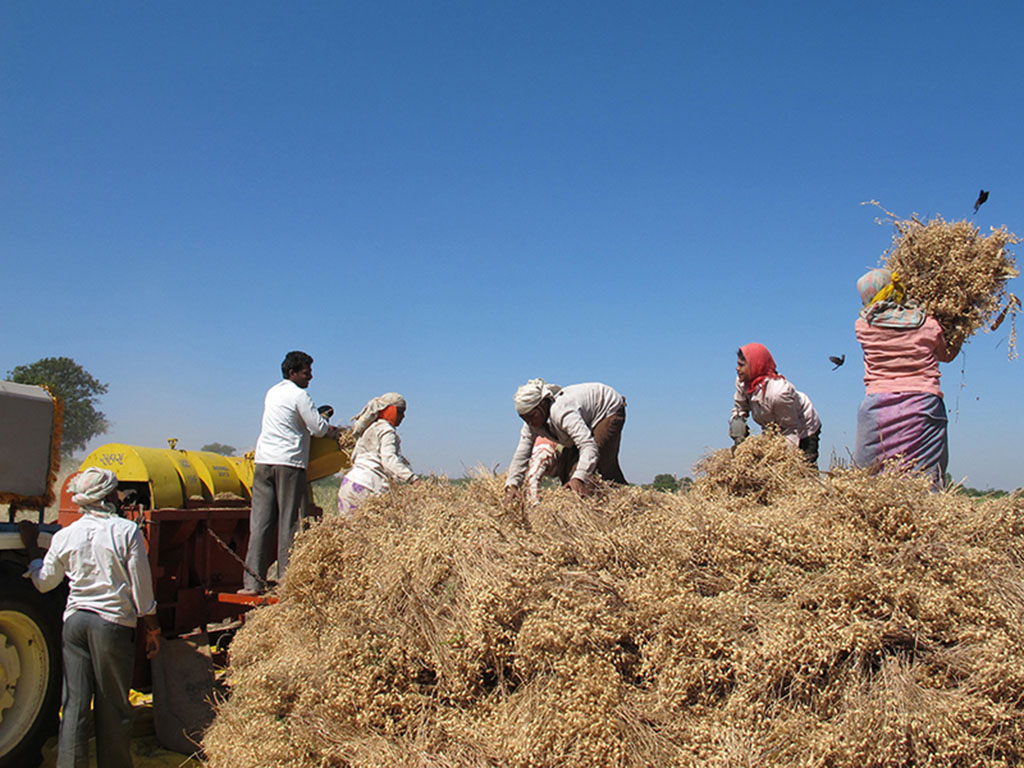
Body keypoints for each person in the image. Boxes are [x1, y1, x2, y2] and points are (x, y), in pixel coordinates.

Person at [19, 466, 160, 768]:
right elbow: (141, 590)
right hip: (110, 626)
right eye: (115, 491)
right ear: (108, 495)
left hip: (75, 624)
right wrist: (152, 628)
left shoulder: (66, 535)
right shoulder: (126, 531)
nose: (120, 496)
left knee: (74, 707)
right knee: (113, 708)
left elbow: (45, 582)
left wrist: (32, 547)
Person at [242, 351, 340, 594]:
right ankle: (288, 583)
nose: (311, 376)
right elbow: (317, 429)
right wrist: (334, 431)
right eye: (307, 372)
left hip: (264, 462)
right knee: (290, 523)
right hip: (289, 463)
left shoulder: (272, 392)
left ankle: (252, 582)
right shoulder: (300, 395)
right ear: (293, 372)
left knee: (261, 523)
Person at [853, 268, 961, 488]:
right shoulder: (929, 324)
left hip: (877, 409)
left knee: (868, 484)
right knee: (925, 481)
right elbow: (946, 356)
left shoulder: (863, 326)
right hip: (923, 407)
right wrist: (959, 331)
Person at [504, 379, 626, 500]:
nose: (529, 422)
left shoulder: (562, 411)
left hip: (607, 409)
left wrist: (579, 478)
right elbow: (522, 454)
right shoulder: (531, 424)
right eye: (524, 419)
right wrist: (512, 484)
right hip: (585, 419)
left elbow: (588, 446)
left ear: (542, 405)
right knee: (565, 468)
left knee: (597, 465)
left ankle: (622, 498)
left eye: (532, 416)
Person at [729, 342, 822, 467]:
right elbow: (740, 407)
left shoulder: (779, 393)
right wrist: (737, 426)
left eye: (741, 365)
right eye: (737, 364)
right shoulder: (743, 382)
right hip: (773, 425)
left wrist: (786, 462)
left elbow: (790, 429)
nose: (737, 369)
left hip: (802, 426)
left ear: (754, 366)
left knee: (803, 467)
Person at [337, 393, 418, 516]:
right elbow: (389, 460)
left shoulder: (370, 428)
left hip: (349, 484)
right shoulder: (387, 431)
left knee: (349, 529)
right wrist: (413, 479)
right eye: (400, 412)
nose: (403, 416)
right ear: (390, 410)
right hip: (367, 487)